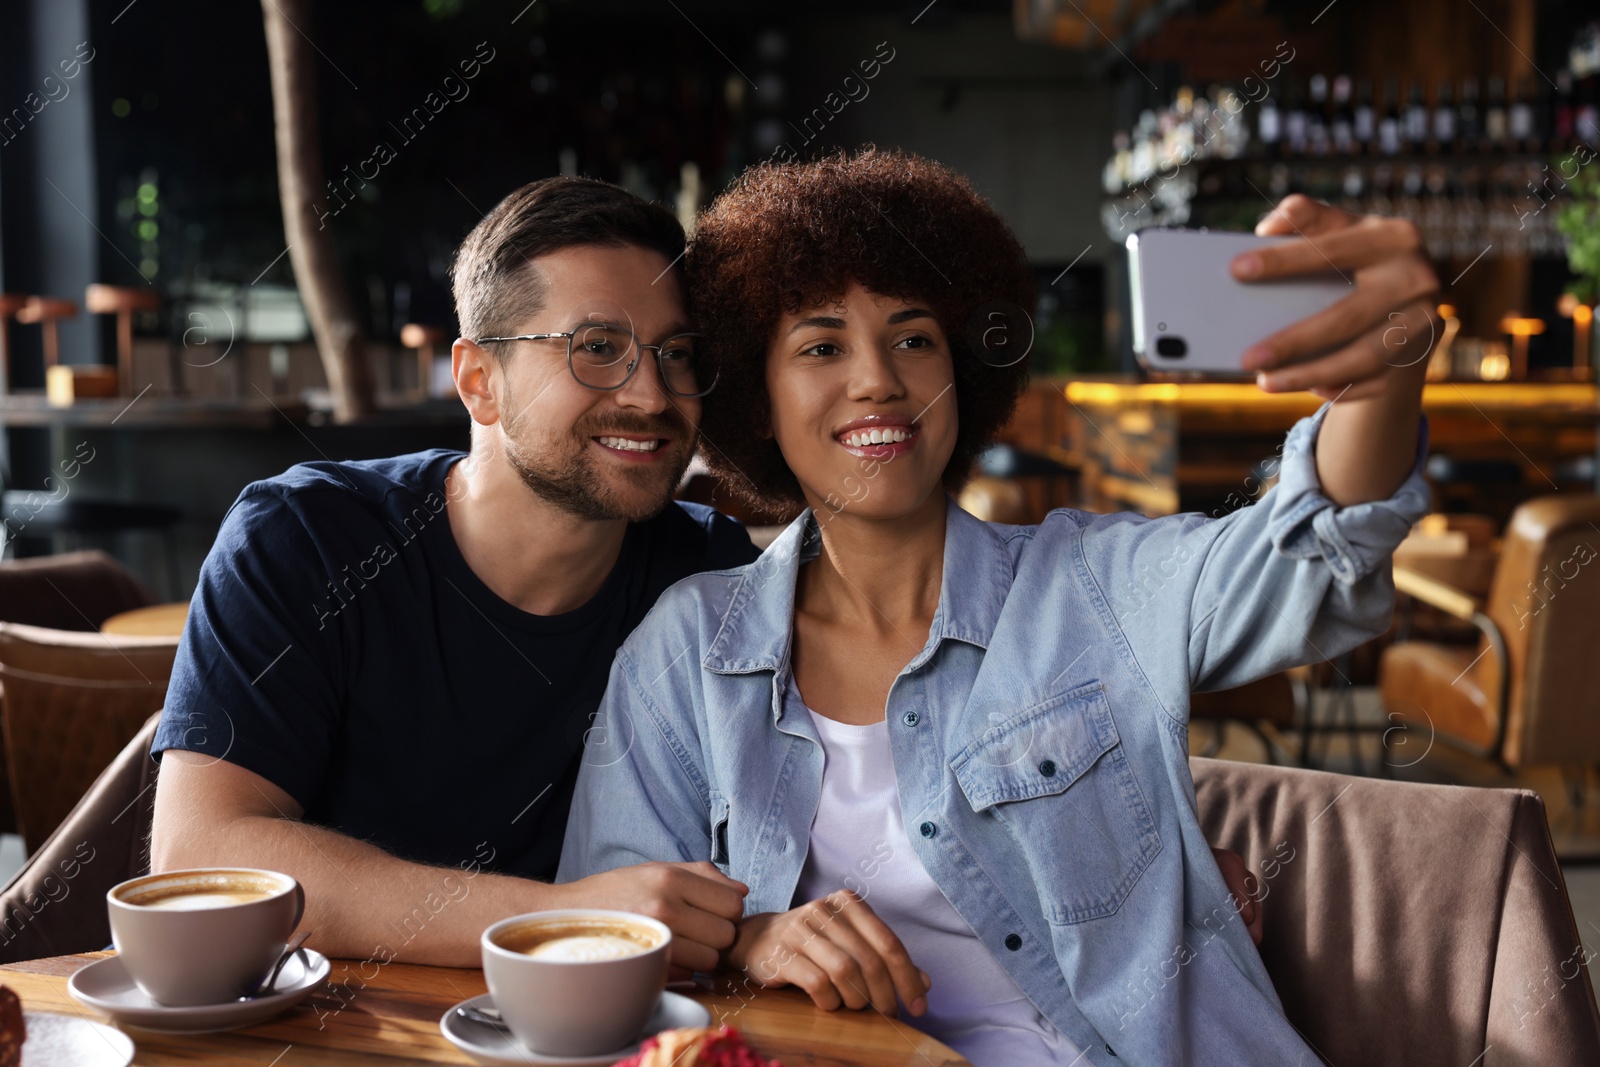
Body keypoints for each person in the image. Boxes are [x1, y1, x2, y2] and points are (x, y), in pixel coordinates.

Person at [559, 149, 1436, 1064]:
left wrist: (1382, 376)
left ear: (962, 372)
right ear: (758, 401)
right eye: (821, 346)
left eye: (914, 338)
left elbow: (1313, 562)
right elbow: (608, 932)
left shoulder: (1091, 583)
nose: (878, 381)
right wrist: (752, 938)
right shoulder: (687, 650)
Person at [149, 178, 755, 970]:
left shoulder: (712, 571)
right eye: (596, 347)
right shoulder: (307, 540)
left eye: (675, 354)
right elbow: (201, 857)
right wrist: (561, 917)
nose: (651, 393)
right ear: (478, 381)